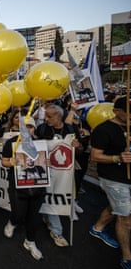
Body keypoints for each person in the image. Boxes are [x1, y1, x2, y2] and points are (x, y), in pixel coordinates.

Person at [90, 96, 131, 269]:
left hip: (127, 178)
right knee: (126, 217)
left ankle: (98, 227)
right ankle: (127, 256)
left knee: (117, 207)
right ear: (116, 111)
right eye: (128, 112)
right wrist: (117, 158)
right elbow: (95, 156)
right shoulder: (104, 129)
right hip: (114, 179)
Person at [35, 103, 83, 247]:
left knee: (56, 196)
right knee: (49, 197)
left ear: (59, 116)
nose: (46, 119)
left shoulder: (71, 129)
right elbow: (34, 149)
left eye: (50, 116)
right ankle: (57, 230)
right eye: (46, 116)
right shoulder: (42, 128)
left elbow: (80, 150)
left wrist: (77, 146)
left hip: (64, 173)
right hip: (46, 170)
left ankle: (51, 222)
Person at [1, 116, 45, 260]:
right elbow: (4, 162)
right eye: (24, 127)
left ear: (34, 129)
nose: (27, 130)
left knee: (34, 216)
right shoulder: (11, 143)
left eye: (30, 127)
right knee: (19, 214)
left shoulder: (42, 143)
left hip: (38, 186)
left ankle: (30, 241)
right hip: (18, 185)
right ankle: (12, 222)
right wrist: (11, 162)